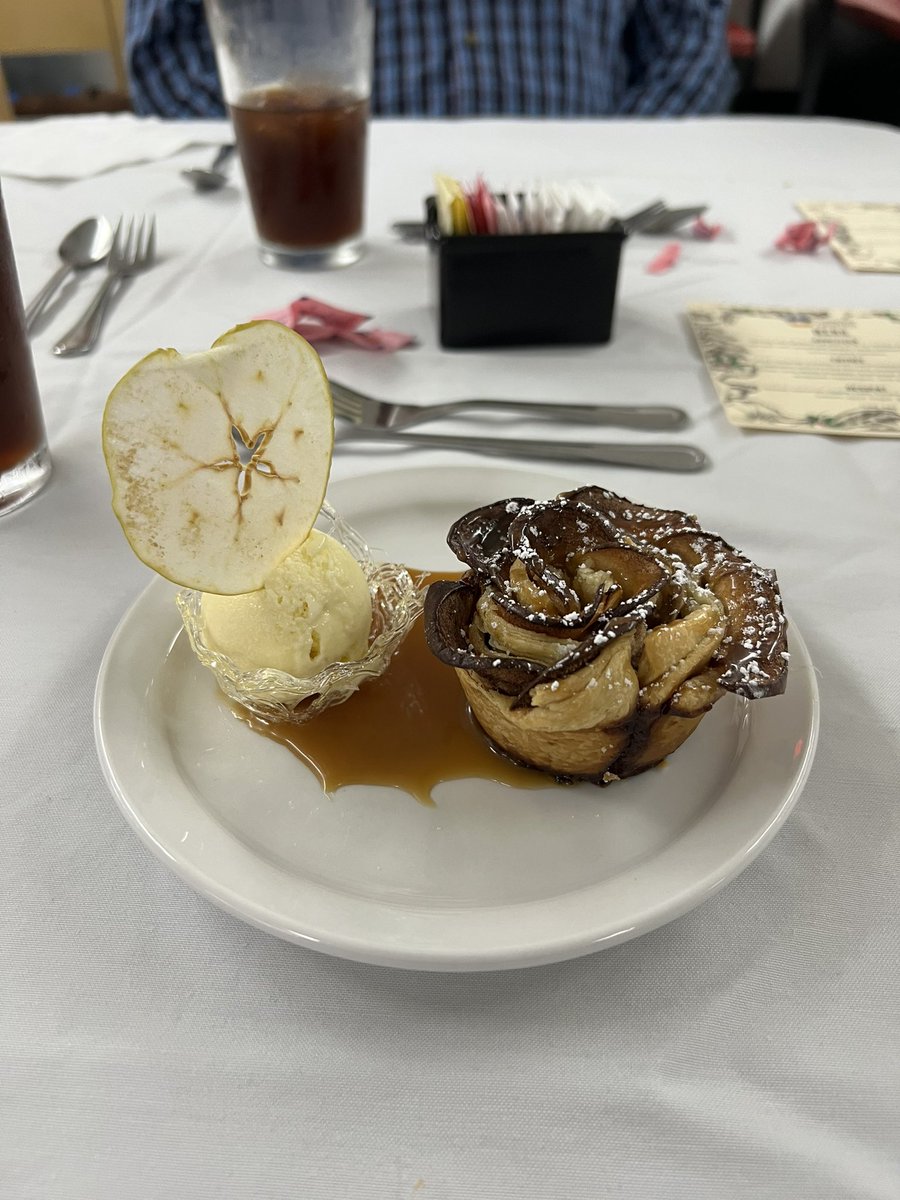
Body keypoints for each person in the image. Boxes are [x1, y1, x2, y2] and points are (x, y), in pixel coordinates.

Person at [126, 0, 735, 119]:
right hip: (319, 216)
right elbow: (166, 55)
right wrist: (273, 170)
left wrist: (623, 166)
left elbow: (692, 31)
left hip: (575, 209)